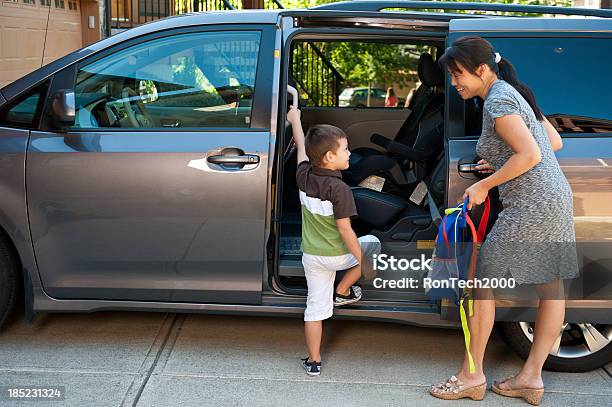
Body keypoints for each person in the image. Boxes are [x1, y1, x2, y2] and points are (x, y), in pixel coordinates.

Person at [429, 36, 578, 405]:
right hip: (554, 199)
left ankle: (471, 376)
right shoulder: (515, 92)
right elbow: (552, 144)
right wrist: (500, 162)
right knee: (550, 289)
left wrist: (486, 184)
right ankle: (531, 378)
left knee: (482, 284)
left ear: (481, 70)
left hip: (531, 206)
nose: (454, 82)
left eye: (457, 74)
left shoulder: (498, 100)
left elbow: (530, 153)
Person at [286, 107, 381, 377]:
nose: (349, 153)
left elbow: (303, 151)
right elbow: (346, 230)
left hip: (312, 257)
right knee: (371, 243)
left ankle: (313, 362)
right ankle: (343, 291)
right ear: (329, 157)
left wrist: (295, 120)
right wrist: (363, 263)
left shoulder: (303, 175)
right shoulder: (340, 190)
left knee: (314, 308)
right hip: (338, 256)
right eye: (346, 149)